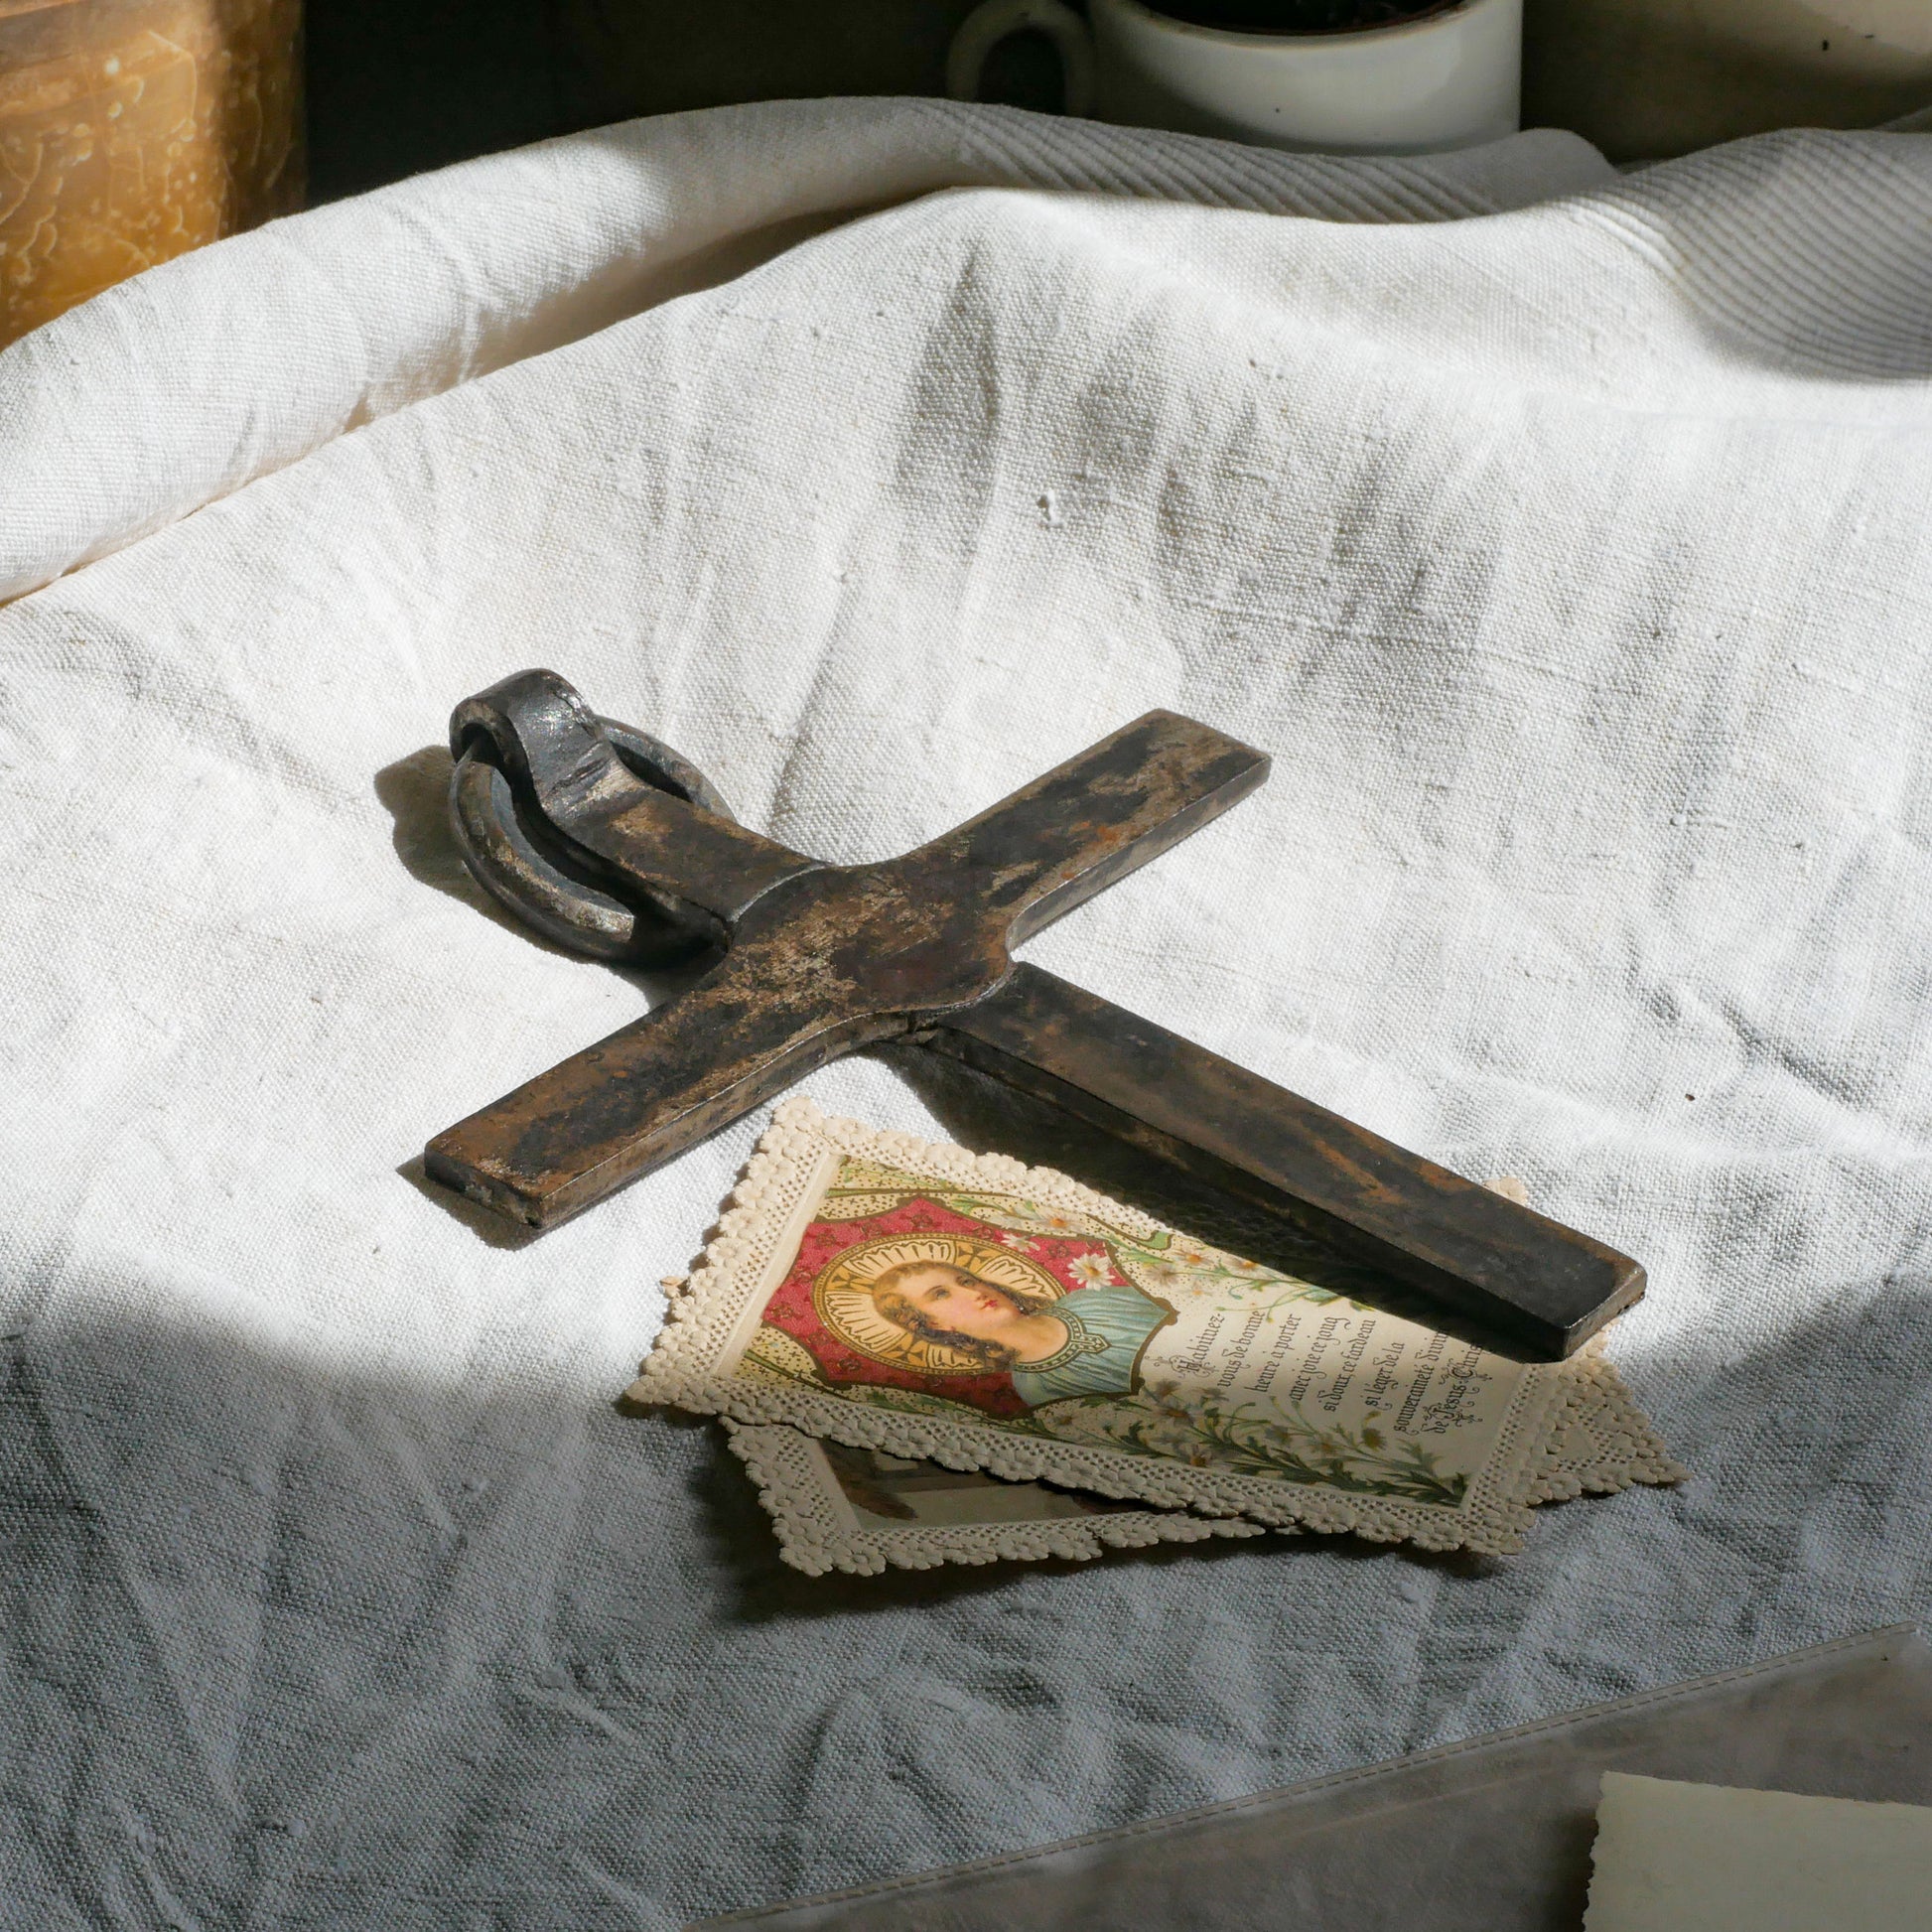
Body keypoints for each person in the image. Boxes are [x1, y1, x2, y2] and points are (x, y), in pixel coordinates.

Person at [867, 1259, 1173, 1405]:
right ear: (934, 1324)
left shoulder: (1088, 1302)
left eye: (966, 1281)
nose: (972, 1292)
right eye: (941, 1295)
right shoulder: (1039, 1388)